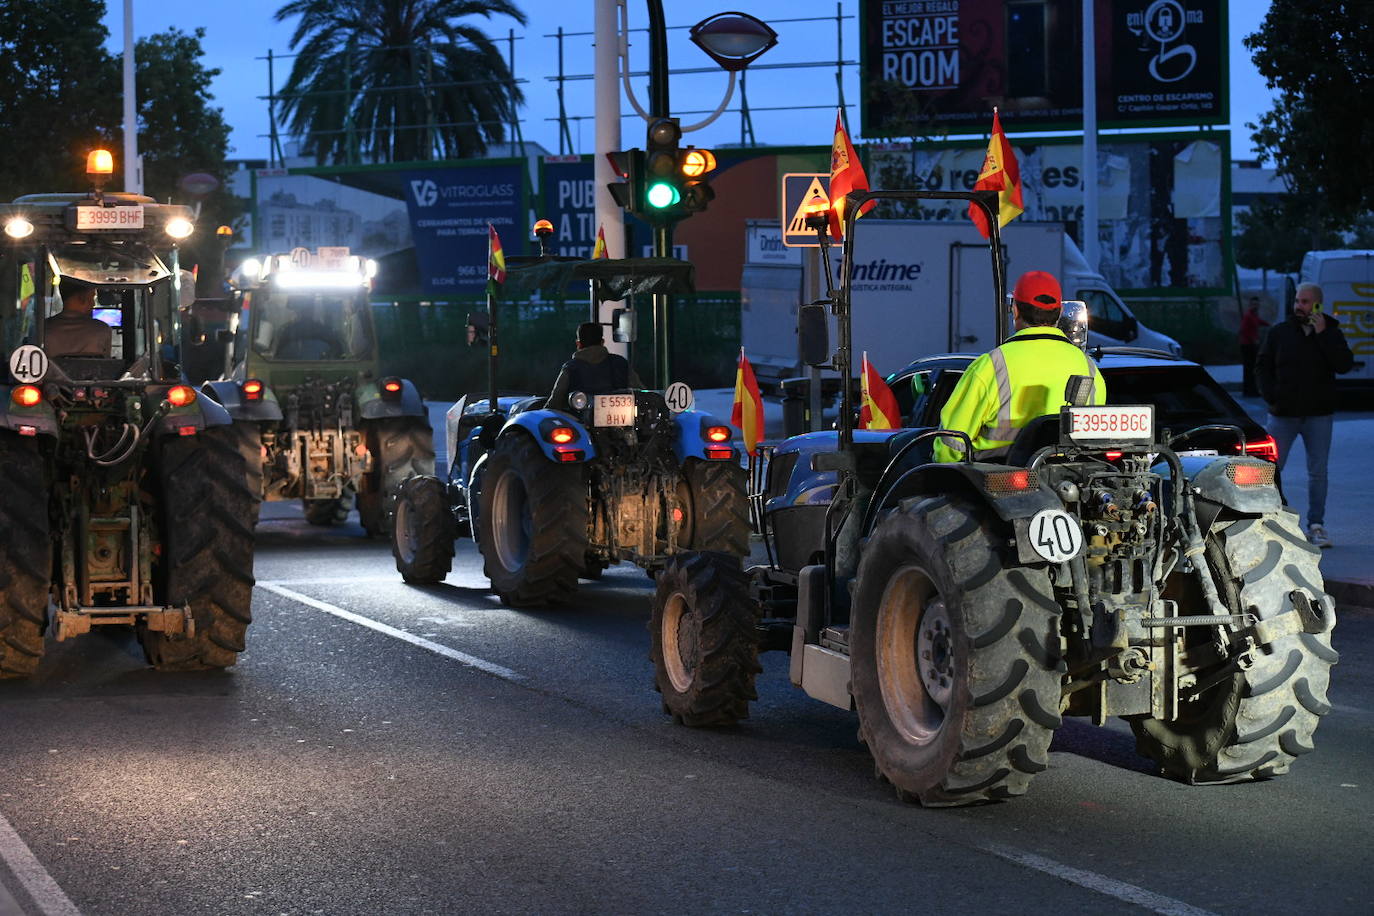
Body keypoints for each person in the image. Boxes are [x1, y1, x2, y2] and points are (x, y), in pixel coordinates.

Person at [934, 270, 1106, 463]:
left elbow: (950, 443)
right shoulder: (1088, 366)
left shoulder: (992, 365)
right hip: (1067, 482)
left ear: (1015, 310)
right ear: (1059, 314)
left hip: (996, 482)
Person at [1256, 282, 1353, 548]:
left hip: (1318, 415)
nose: (1300, 306)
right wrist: (1272, 396)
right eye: (1298, 301)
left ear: (1318, 304)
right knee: (1271, 469)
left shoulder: (1331, 332)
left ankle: (1316, 525)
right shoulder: (1280, 332)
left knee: (1318, 472)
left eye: (1306, 302)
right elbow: (1262, 366)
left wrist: (1323, 335)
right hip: (1283, 414)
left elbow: (1344, 365)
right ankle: (1270, 520)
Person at [547, 321, 641, 410]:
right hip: (622, 425)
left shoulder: (570, 368)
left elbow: (555, 401)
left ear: (578, 344)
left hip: (581, 425)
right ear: (602, 342)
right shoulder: (620, 363)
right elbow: (640, 393)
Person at [44, 280, 112, 358]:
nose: (93, 304)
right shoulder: (102, 330)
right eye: (92, 297)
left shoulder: (44, 330)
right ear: (82, 297)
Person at [1239, 296, 1269, 397]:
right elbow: (1243, 330)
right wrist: (1253, 339)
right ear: (1250, 305)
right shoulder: (1248, 315)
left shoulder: (1254, 315)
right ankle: (1250, 391)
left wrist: (1269, 324)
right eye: (1253, 304)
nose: (1255, 305)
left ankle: (1249, 391)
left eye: (1257, 304)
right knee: (1250, 368)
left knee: (1251, 368)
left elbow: (1259, 322)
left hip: (1251, 345)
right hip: (1248, 345)